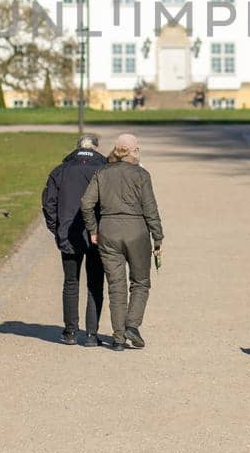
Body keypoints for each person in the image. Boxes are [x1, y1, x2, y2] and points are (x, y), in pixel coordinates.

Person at [80, 133, 164, 350]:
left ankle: (118, 338)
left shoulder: (102, 172)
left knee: (116, 286)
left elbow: (86, 203)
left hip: (108, 230)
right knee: (140, 282)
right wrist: (158, 237)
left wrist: (93, 230)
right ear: (134, 151)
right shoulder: (141, 175)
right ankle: (132, 325)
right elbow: (150, 208)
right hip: (136, 231)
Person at [41, 133, 108, 346]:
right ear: (96, 148)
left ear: (77, 147)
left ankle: (70, 331)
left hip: (68, 233)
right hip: (97, 234)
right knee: (95, 283)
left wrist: (57, 228)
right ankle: (91, 334)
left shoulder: (60, 171)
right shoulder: (104, 170)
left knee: (71, 282)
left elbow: (49, 204)